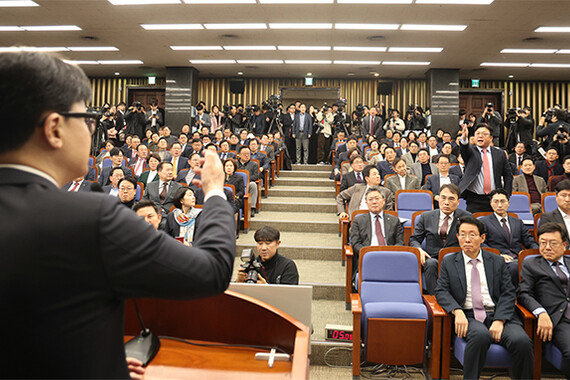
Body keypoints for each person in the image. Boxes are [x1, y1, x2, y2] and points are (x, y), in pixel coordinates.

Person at [0, 51, 235, 378]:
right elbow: (212, 271)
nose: (91, 130)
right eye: (86, 119)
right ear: (54, 128)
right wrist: (213, 191)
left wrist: (95, 355)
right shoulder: (91, 218)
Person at [435, 216, 534, 380]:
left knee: (521, 341)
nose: (467, 239)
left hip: (498, 313)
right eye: (463, 234)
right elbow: (441, 291)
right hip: (469, 315)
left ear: (482, 238)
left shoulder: (496, 261)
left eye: (472, 234)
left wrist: (500, 320)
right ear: (457, 237)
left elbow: (508, 292)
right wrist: (457, 311)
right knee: (481, 336)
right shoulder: (449, 262)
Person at [518, 222, 570, 378]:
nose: (547, 247)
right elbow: (523, 293)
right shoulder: (531, 264)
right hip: (558, 319)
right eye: (543, 243)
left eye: (553, 243)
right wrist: (541, 313)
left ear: (564, 245)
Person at [409, 184, 472, 294]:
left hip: (456, 258)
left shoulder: (466, 217)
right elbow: (414, 239)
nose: (446, 202)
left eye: (451, 199)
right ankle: (435, 298)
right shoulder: (426, 217)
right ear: (438, 199)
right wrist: (419, 249)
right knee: (431, 264)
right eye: (443, 197)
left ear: (458, 202)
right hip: (432, 258)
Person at [480, 189, 538, 284]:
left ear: (508, 203)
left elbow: (530, 241)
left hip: (519, 258)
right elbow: (481, 244)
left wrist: (536, 254)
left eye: (503, 201)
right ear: (490, 203)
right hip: (498, 259)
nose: (499, 205)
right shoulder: (484, 222)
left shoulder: (517, 222)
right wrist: (498, 255)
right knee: (515, 267)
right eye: (496, 201)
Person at [348, 186, 404, 279]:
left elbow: (400, 242)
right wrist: (368, 253)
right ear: (367, 203)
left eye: (377, 198)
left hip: (389, 257)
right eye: (370, 199)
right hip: (368, 258)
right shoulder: (359, 220)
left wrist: (390, 254)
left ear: (383, 201)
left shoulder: (394, 220)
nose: (374, 202)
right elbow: (355, 243)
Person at [459, 123, 513, 213]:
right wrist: (464, 138)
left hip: (495, 198)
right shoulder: (471, 151)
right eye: (478, 133)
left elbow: (508, 175)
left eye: (484, 134)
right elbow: (464, 149)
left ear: (491, 138)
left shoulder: (500, 153)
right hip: (474, 199)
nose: (480, 136)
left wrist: (506, 195)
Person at [223, 158, 245, 235]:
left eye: (231, 166)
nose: (229, 168)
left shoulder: (239, 178)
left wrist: (235, 196)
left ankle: (235, 231)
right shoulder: (220, 177)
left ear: (234, 167)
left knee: (235, 204)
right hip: (221, 198)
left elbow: (242, 191)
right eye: (227, 166)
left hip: (234, 199)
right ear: (224, 167)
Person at [237, 146, 260, 216]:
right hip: (236, 183)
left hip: (248, 183)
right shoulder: (234, 163)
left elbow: (256, 176)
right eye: (244, 154)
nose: (246, 155)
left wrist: (246, 180)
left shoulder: (254, 164)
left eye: (248, 154)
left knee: (253, 185)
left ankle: (251, 208)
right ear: (239, 155)